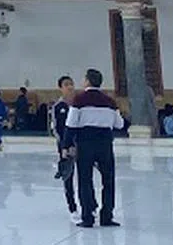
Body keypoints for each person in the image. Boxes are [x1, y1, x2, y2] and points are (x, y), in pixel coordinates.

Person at [63, 68, 123, 228]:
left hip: (85, 143)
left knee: (85, 180)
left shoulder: (79, 100)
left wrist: (66, 145)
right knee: (108, 180)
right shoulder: (110, 102)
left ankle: (88, 216)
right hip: (105, 144)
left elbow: (71, 124)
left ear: (87, 81)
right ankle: (107, 216)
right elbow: (119, 124)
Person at [50, 76, 78, 221]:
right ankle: (72, 207)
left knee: (85, 175)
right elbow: (56, 129)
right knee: (68, 176)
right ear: (61, 88)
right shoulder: (58, 107)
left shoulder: (78, 105)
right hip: (65, 147)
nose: (70, 87)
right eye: (66, 84)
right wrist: (64, 146)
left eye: (71, 84)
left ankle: (90, 206)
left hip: (80, 145)